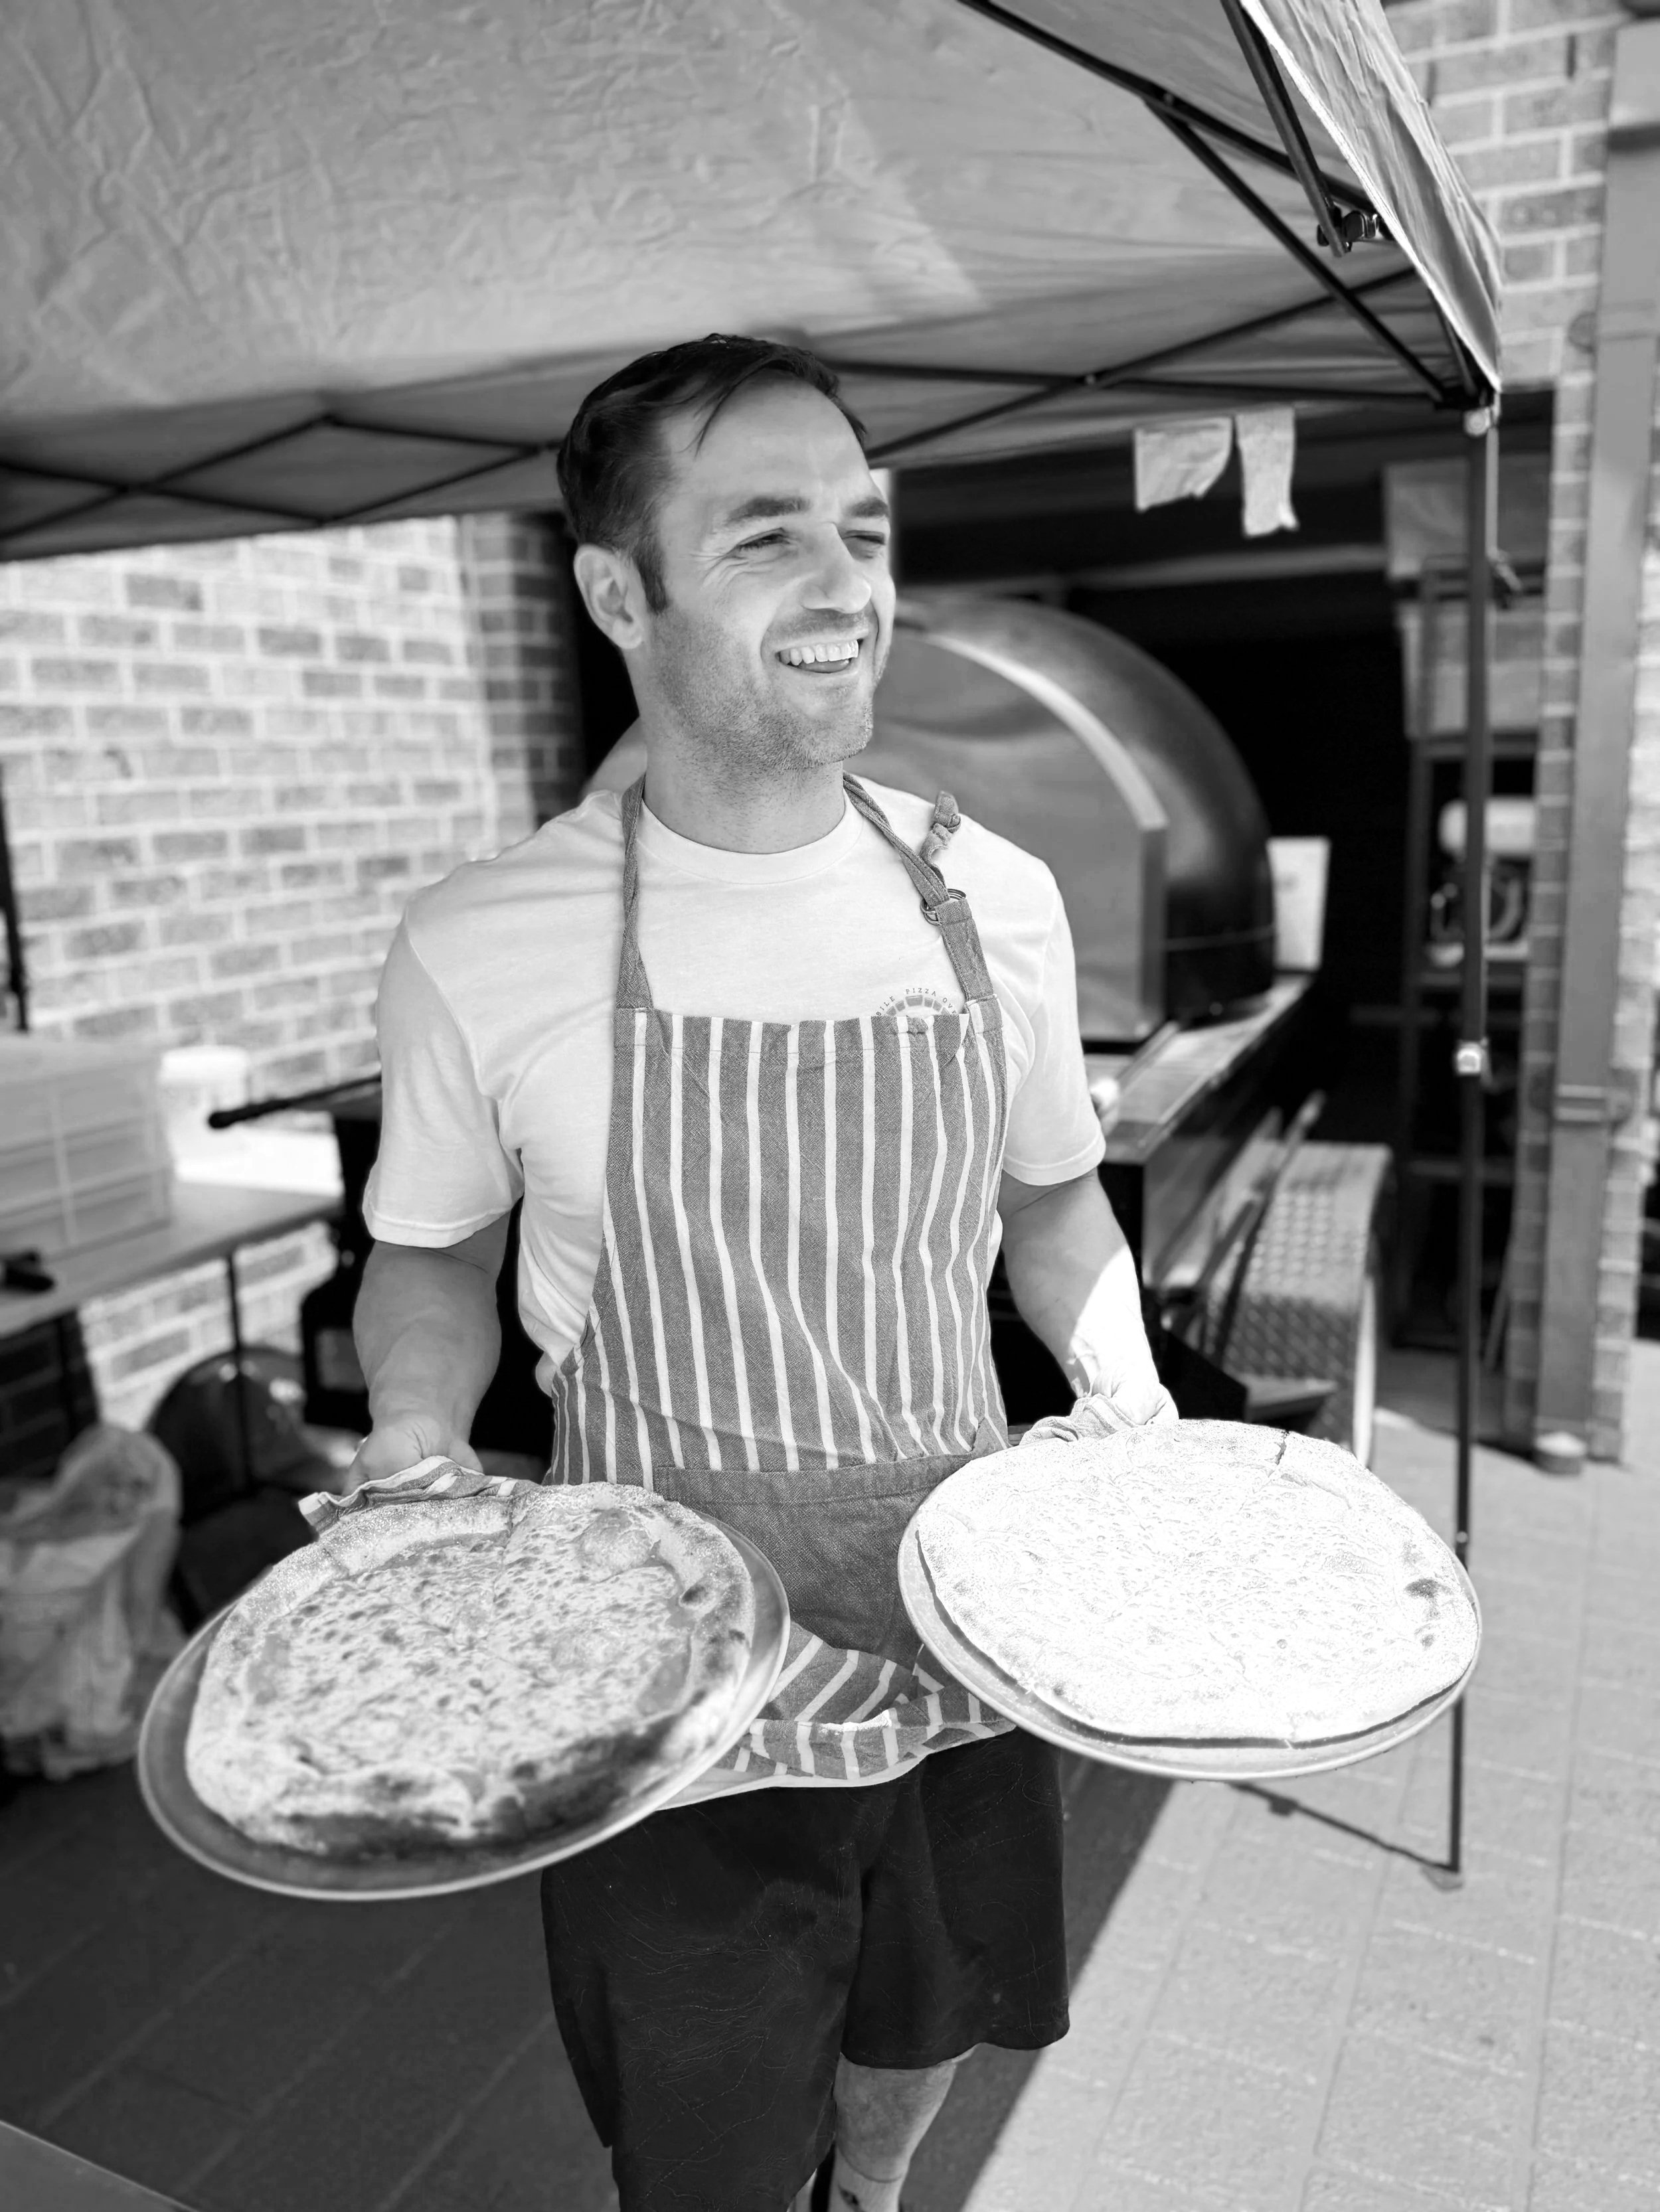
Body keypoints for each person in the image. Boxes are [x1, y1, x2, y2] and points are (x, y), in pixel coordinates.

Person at [352, 333, 1173, 2212]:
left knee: (928, 2019)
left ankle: (870, 2193)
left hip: (963, 1612)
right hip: (669, 1672)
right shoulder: (487, 939)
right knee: (707, 2129)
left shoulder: (997, 896)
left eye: (864, 529)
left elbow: (1053, 1212)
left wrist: (1122, 1385)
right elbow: (428, 1254)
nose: (849, 586)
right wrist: (413, 1425)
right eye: (769, 537)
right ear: (616, 590)